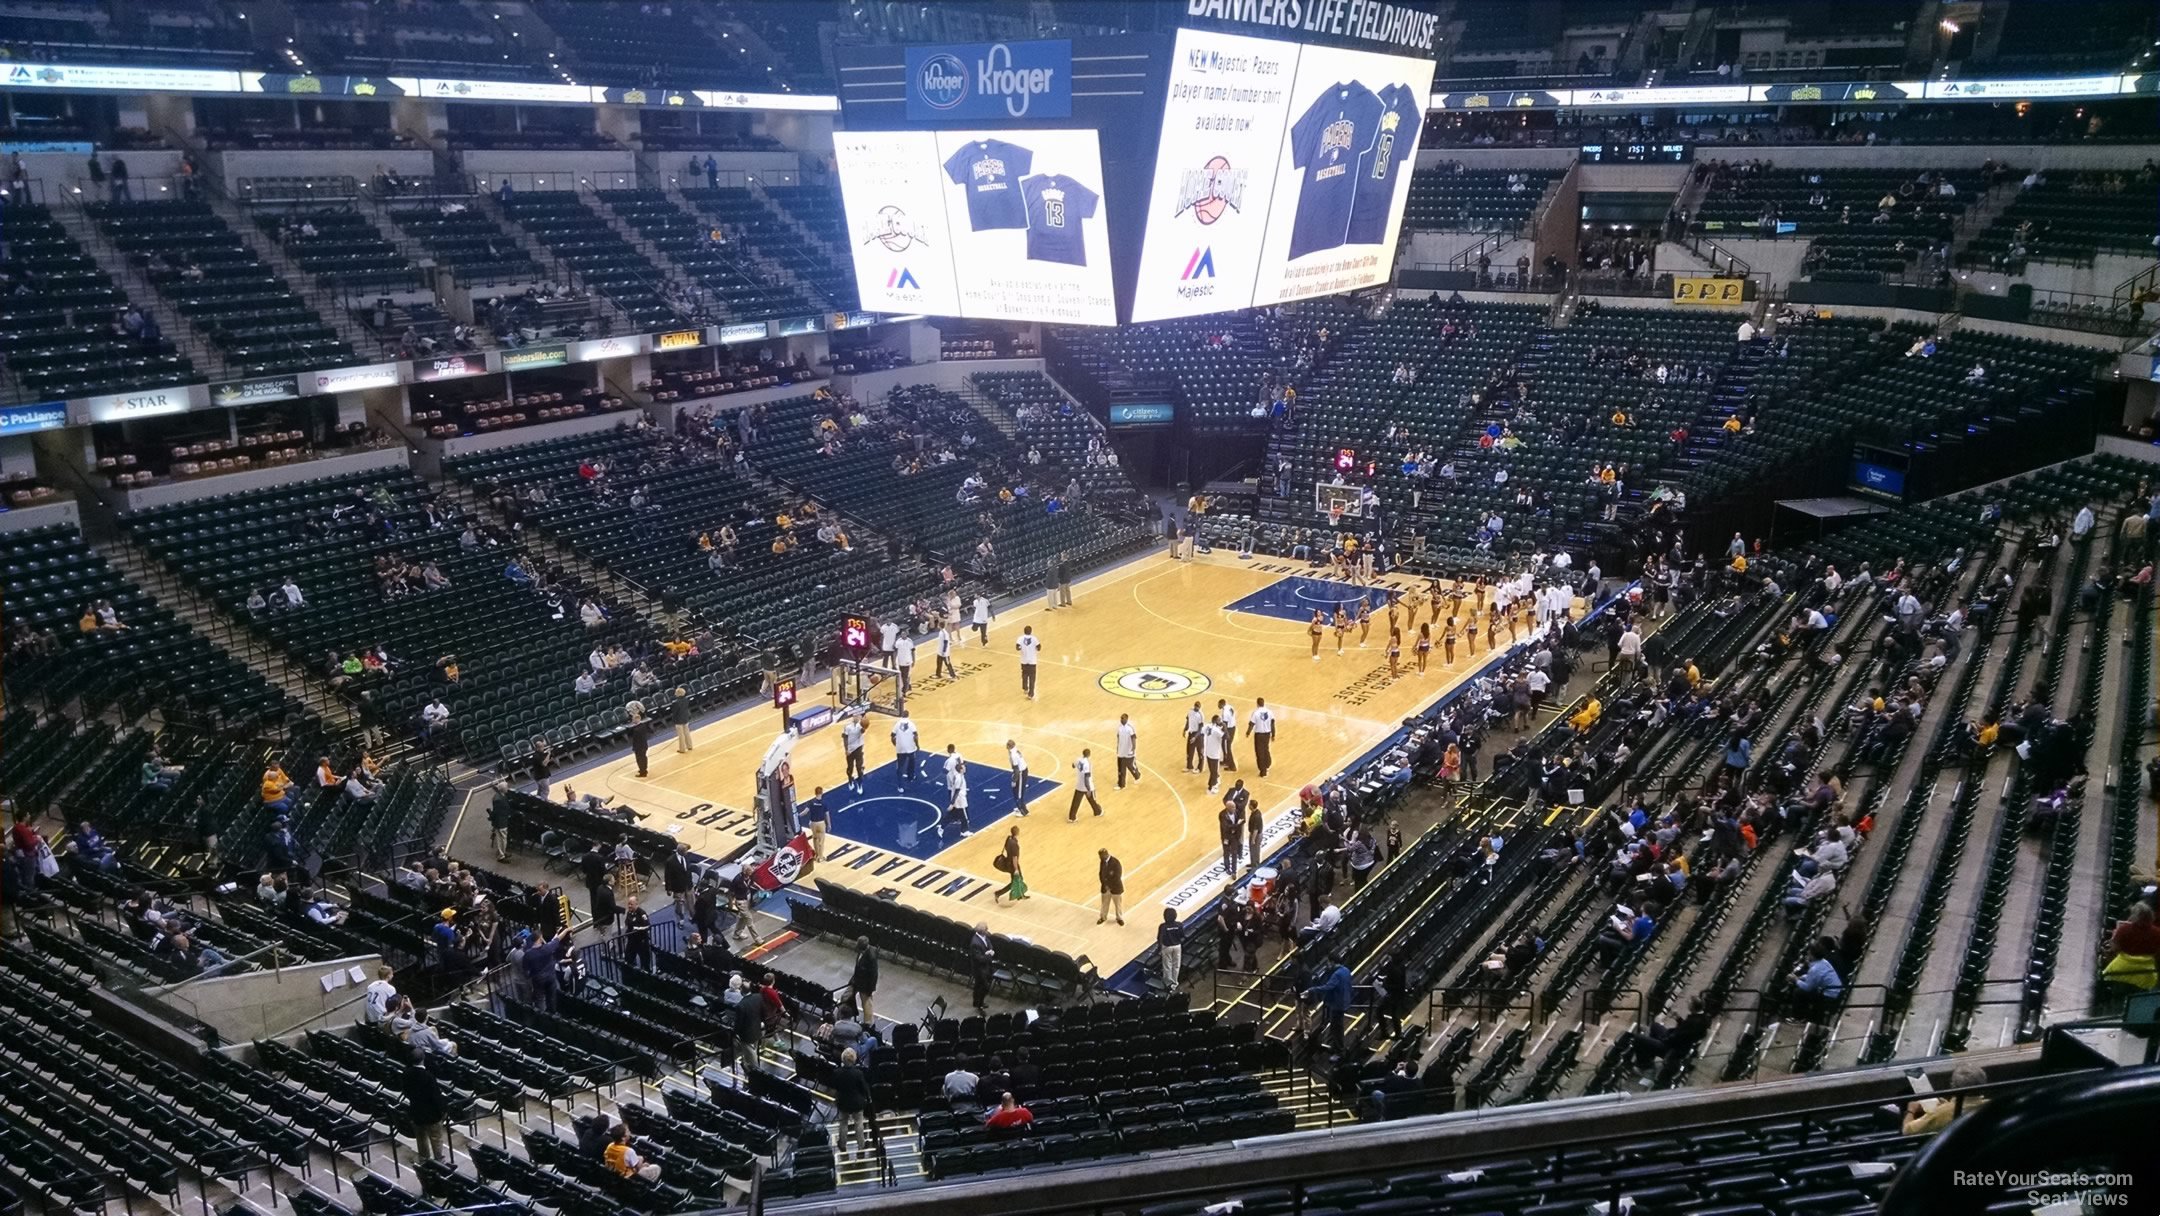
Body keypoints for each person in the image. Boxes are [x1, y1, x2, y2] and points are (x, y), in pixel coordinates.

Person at [1902, 1062, 1989, 1135]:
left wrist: (1911, 1110)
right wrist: (1947, 1105)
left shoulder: (1942, 1113)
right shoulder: (1991, 1106)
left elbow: (1907, 1131)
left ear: (1953, 1087)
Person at [405, 1051, 449, 1162]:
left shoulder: (406, 1074)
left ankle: (424, 1160)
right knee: (436, 1138)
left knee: (421, 1139)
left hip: (416, 1111)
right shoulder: (428, 1076)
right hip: (431, 1114)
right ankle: (439, 1160)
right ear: (423, 1059)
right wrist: (442, 1111)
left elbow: (406, 1092)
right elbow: (435, 1097)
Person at [1302, 956, 1354, 1049]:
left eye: (1328, 962)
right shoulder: (1346, 970)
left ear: (1332, 962)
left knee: (1336, 1028)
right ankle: (1336, 1045)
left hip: (1337, 1005)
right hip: (1345, 1002)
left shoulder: (1337, 974)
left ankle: (1339, 1050)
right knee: (1338, 1026)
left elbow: (1327, 987)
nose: (1328, 964)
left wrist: (1311, 990)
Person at [833, 1047, 875, 1158]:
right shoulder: (858, 1073)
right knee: (859, 1123)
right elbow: (864, 1088)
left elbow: (835, 1086)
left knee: (843, 1123)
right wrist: (868, 1097)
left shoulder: (837, 1072)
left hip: (843, 1102)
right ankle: (861, 1144)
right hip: (856, 1102)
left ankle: (842, 1144)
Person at [848, 936, 880, 1027]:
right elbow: (858, 967)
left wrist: (870, 989)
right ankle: (847, 1013)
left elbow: (874, 975)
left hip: (865, 984)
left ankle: (868, 1024)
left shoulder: (871, 956)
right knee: (847, 996)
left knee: (867, 1003)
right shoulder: (861, 951)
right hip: (856, 980)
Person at [992, 824, 1027, 903]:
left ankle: (1020, 895)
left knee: (1017, 880)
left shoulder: (1009, 838)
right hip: (1013, 865)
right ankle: (998, 893)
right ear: (1018, 833)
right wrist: (1016, 869)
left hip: (1008, 862)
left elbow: (1005, 847)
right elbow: (1014, 858)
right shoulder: (1015, 845)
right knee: (1017, 880)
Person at [968, 922, 995, 1013]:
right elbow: (979, 959)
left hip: (986, 967)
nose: (987, 932)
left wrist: (990, 950)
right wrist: (988, 955)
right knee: (983, 986)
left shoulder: (984, 937)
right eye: (986, 930)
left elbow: (989, 944)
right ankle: (979, 1004)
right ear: (983, 931)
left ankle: (978, 1002)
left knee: (980, 986)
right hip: (979, 969)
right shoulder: (975, 943)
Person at [1068, 749, 1102, 819]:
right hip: (1087, 785)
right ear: (1089, 754)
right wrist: (1088, 789)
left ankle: (1072, 817)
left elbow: (1073, 766)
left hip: (1079, 785)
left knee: (1075, 802)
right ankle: (1097, 812)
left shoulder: (1078, 759)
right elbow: (1086, 777)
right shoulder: (1088, 763)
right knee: (1092, 800)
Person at [623, 897, 652, 971]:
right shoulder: (629, 913)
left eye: (631, 904)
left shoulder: (642, 913)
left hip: (641, 940)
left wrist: (637, 929)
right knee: (628, 958)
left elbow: (647, 926)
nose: (629, 906)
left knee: (645, 960)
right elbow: (627, 923)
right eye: (628, 904)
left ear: (636, 904)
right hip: (632, 940)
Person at [1157, 907, 1184, 987]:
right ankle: (1175, 983)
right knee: (1176, 965)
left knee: (1167, 966)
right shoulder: (1179, 924)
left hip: (1167, 947)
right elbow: (1182, 935)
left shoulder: (1162, 926)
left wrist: (1159, 949)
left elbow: (1160, 938)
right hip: (1177, 946)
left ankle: (1168, 984)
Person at [1098, 848, 1125, 925]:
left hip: (1115, 888)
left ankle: (1119, 918)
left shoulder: (1115, 862)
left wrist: (1109, 886)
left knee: (1118, 904)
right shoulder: (1102, 862)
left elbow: (1117, 876)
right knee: (1104, 904)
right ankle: (1103, 917)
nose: (1100, 858)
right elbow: (1101, 874)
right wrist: (1104, 884)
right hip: (1105, 887)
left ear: (1106, 854)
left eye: (1101, 856)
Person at [1015, 625, 1040, 699]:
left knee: (1024, 674)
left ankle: (1025, 688)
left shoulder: (1020, 638)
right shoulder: (1034, 639)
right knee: (1032, 678)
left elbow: (1017, 647)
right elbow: (1039, 647)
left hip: (1024, 660)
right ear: (1031, 631)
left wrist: (1022, 648)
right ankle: (1031, 694)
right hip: (1032, 661)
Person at [669, 687, 694, 752]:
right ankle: (689, 746)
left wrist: (673, 720)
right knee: (687, 733)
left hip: (679, 720)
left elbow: (675, 712)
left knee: (681, 735)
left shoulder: (676, 702)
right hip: (685, 717)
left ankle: (682, 749)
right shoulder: (686, 699)